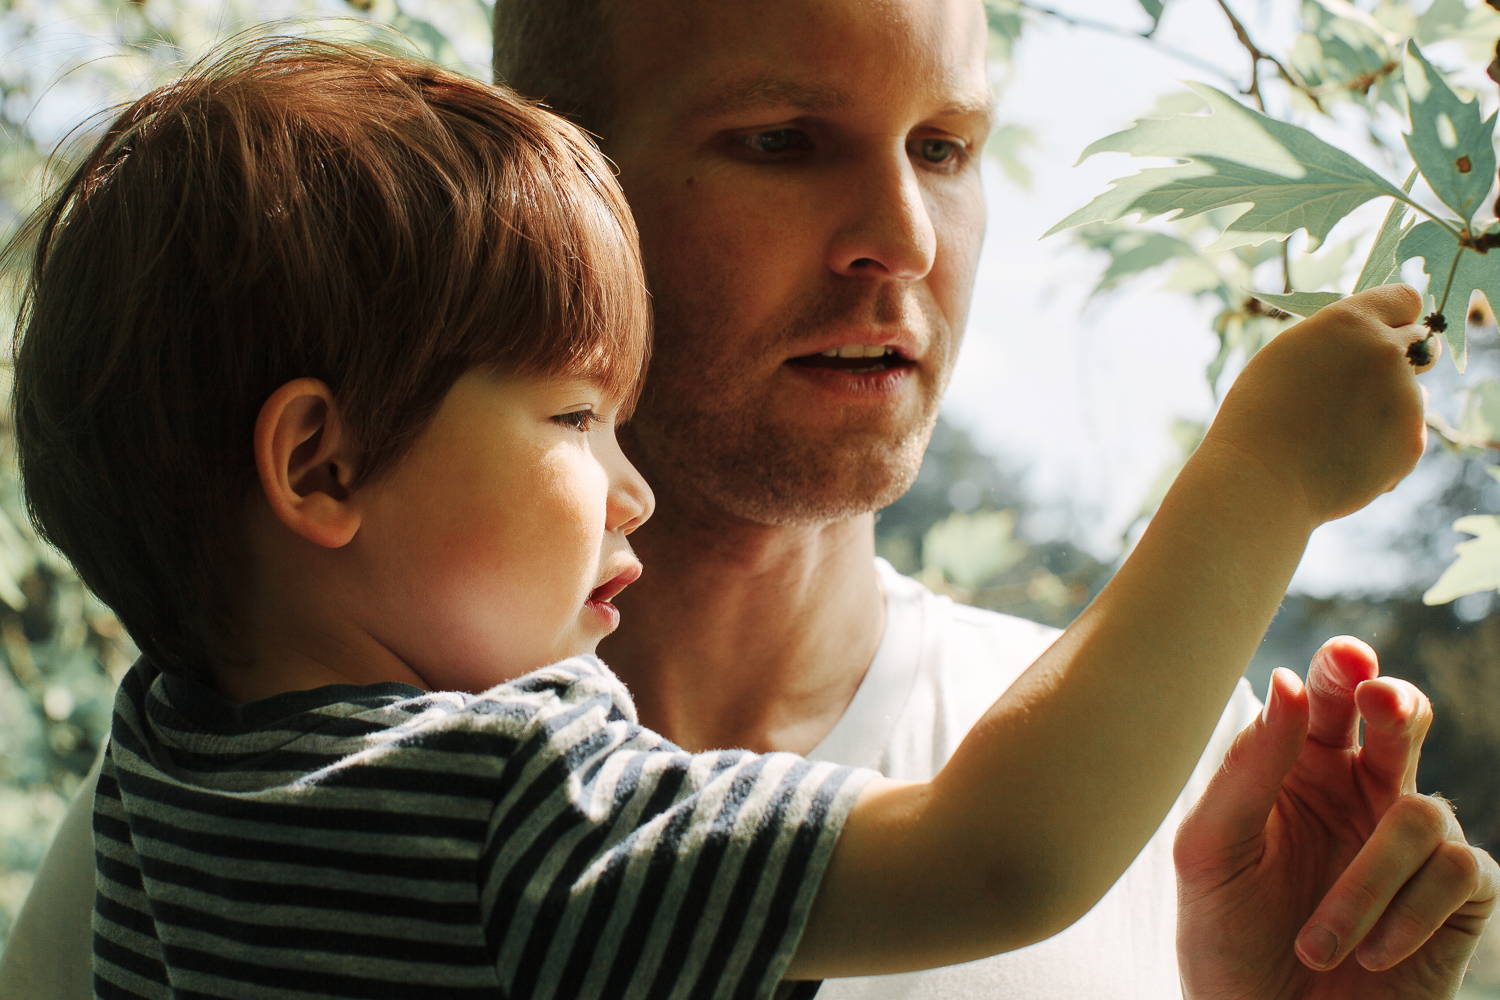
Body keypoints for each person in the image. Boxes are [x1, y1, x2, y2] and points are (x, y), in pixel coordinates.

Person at [3, 0, 1496, 996]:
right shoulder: (513, 814)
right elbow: (1010, 857)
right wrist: (1261, 474)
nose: (902, 238)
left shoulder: (176, 775)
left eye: (948, 149)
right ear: (573, 183)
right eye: (781, 141)